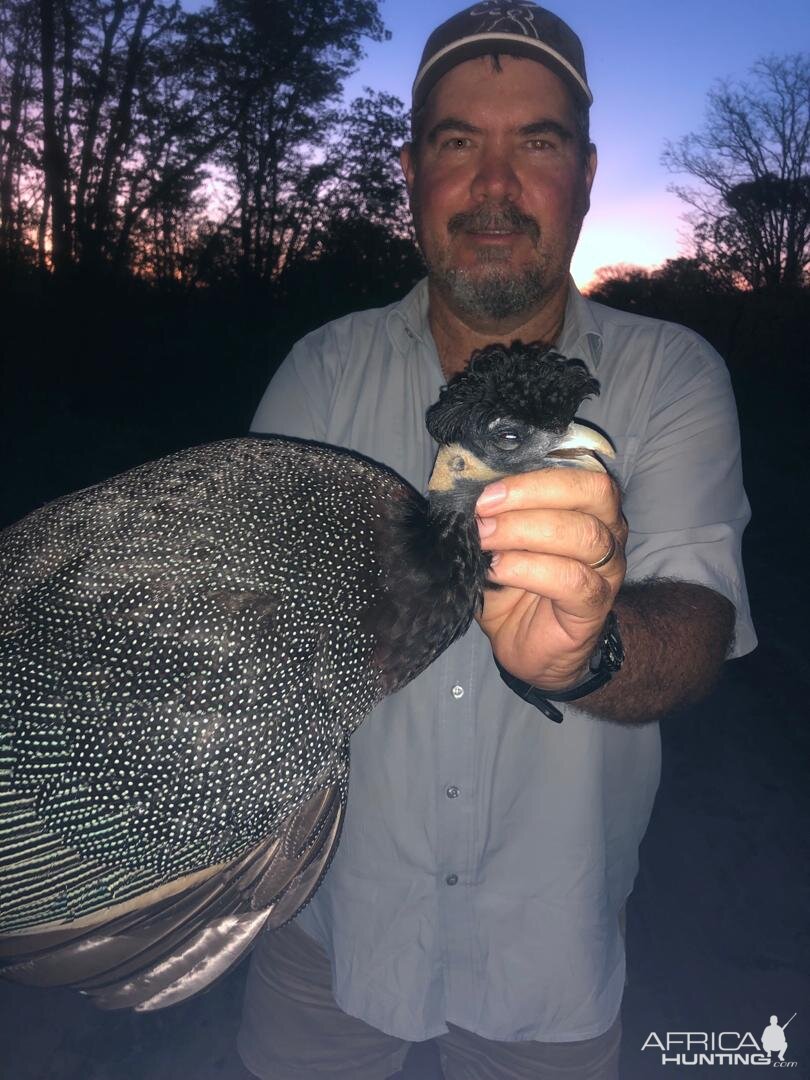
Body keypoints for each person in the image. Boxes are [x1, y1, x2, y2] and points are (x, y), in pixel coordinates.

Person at [238, 3, 757, 1078]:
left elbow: (699, 619)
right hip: (326, 930)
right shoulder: (321, 372)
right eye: (458, 141)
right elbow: (253, 627)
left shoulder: (672, 376)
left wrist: (591, 647)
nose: (494, 183)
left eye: (538, 142)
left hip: (550, 953)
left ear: (587, 173)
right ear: (411, 169)